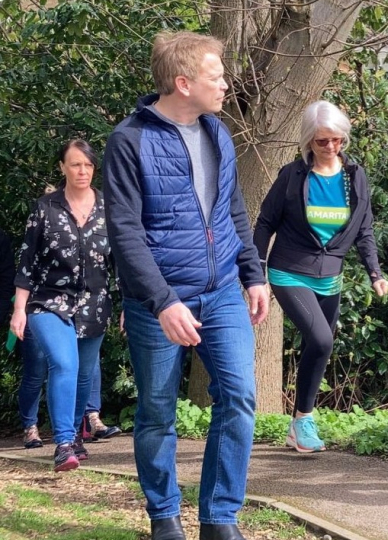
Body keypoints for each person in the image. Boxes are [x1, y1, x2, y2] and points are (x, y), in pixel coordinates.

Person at [103, 31, 268, 540]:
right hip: (159, 301)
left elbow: (232, 210)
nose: (225, 84)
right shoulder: (128, 141)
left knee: (239, 397)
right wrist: (161, 302)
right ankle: (164, 517)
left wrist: (253, 272)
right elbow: (126, 232)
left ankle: (220, 518)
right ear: (183, 82)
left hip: (220, 293)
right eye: (216, 76)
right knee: (156, 410)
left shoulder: (217, 132)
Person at [253, 100, 388, 453]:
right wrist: (257, 272)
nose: (330, 147)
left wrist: (375, 272)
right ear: (308, 142)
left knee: (319, 348)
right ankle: (306, 420)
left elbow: (364, 229)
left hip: (331, 275)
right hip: (289, 269)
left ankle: (298, 423)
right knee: (322, 339)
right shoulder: (292, 175)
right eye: (322, 141)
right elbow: (266, 222)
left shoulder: (354, 176)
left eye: (337, 140)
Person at [10, 139, 114, 472]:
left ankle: (77, 438)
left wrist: (134, 302)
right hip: (47, 300)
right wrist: (18, 310)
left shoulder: (108, 209)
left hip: (94, 303)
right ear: (62, 168)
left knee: (84, 374)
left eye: (87, 165)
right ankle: (64, 443)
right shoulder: (45, 207)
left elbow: (123, 261)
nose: (82, 171)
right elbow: (27, 261)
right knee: (63, 364)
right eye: (74, 164)